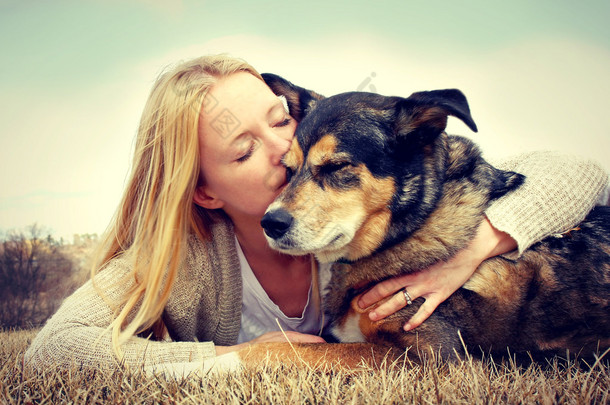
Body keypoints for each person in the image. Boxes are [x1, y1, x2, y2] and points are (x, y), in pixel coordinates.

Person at [24, 54, 608, 375]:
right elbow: (54, 352)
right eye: (243, 150)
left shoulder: (363, 218)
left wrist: (479, 247)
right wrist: (243, 358)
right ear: (204, 191)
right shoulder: (189, 258)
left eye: (279, 121)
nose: (285, 150)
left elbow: (577, 173)